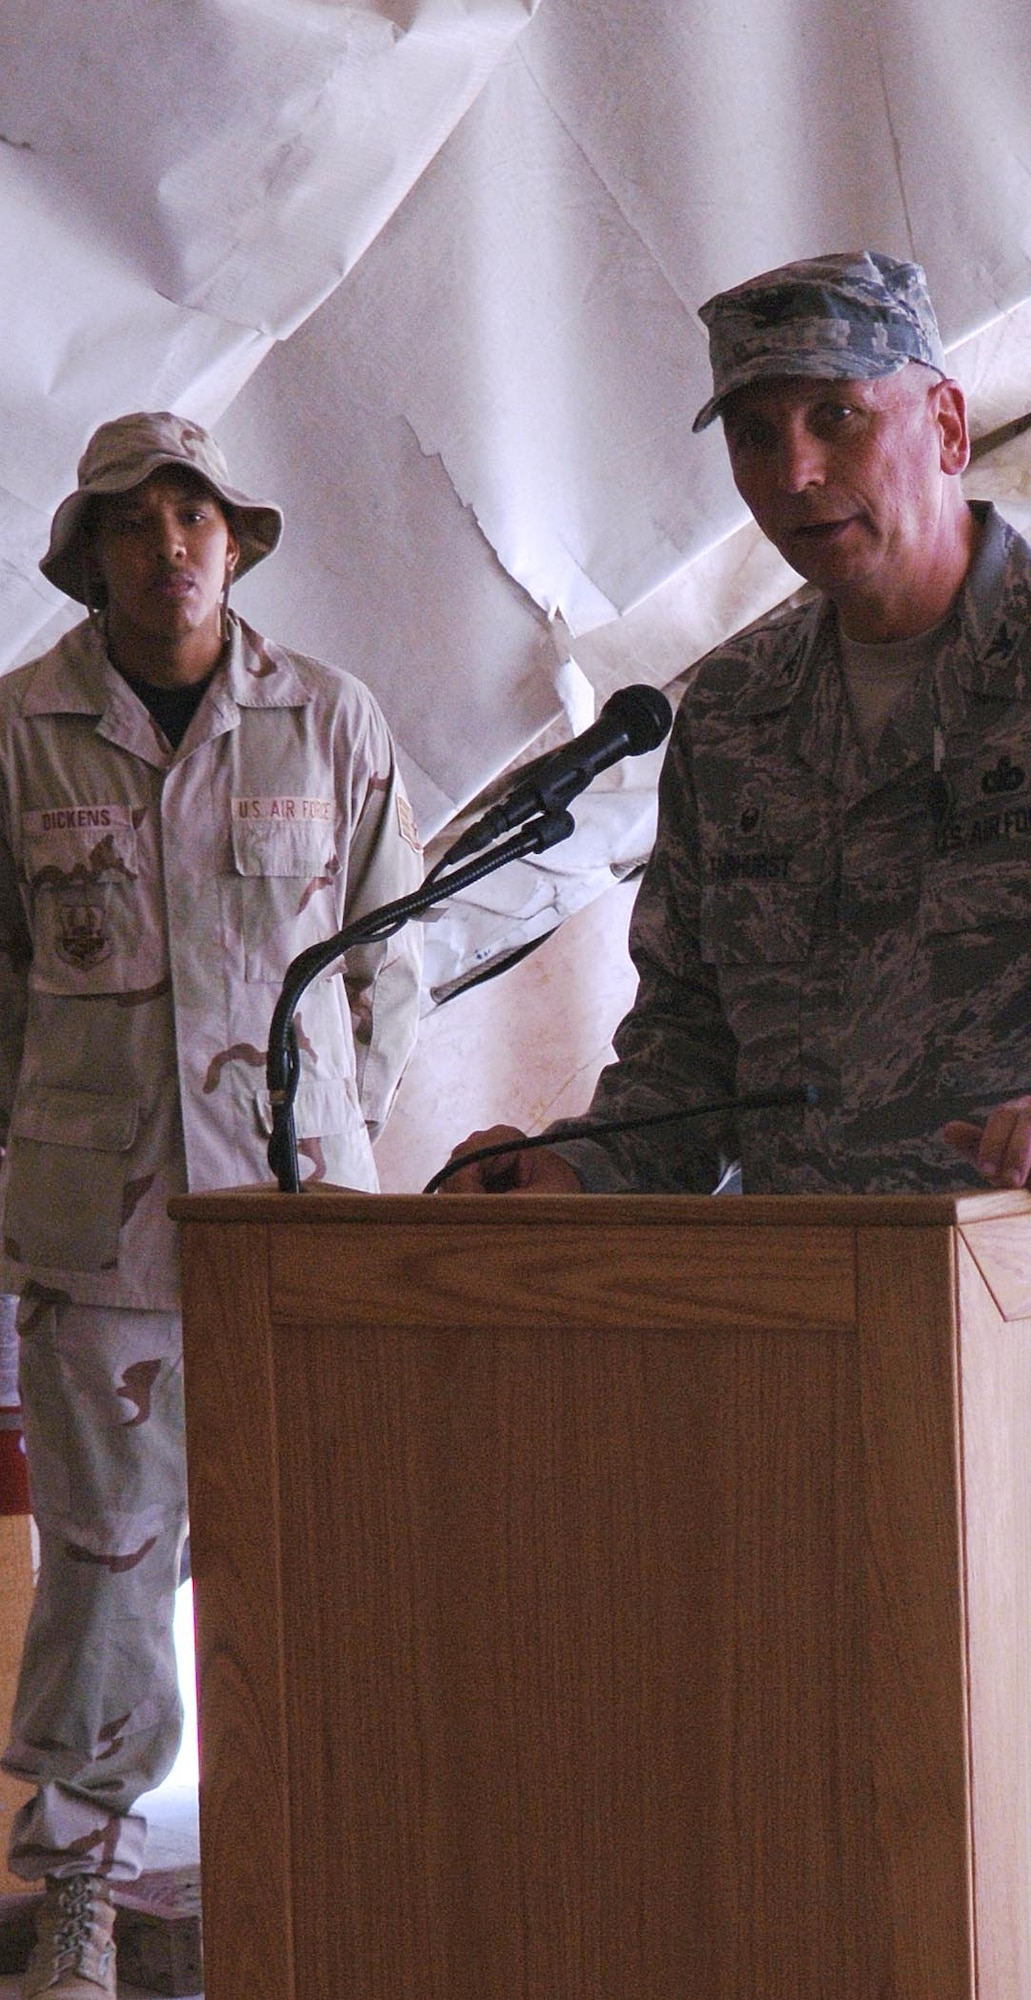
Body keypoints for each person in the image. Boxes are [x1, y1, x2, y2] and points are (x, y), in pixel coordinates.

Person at [443, 250, 1031, 1241]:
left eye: (836, 418)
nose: (795, 474)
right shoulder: (733, 714)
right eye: (756, 436)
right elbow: (692, 1053)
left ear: (946, 425)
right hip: (830, 1319)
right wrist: (578, 1168)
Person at [0, 413, 424, 1997]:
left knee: (317, 1552)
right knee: (105, 1571)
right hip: (101, 1236)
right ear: (90, 554)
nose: (170, 546)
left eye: (196, 517)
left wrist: (340, 1136)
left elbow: (396, 956)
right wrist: (26, 1154)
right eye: (133, 522)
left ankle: (325, 1865)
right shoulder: (20, 730)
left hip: (297, 1227)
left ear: (236, 543)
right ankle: (85, 1903)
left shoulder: (328, 719)